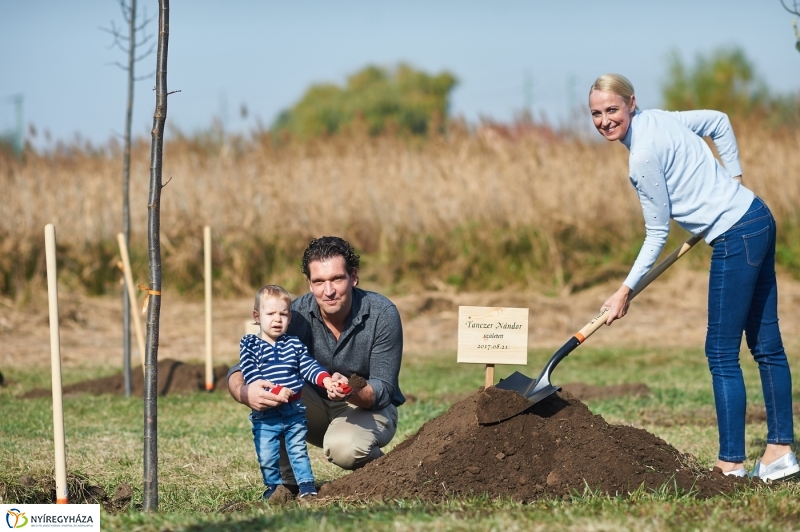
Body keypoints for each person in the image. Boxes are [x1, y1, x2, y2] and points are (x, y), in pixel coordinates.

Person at [588, 73, 797, 481]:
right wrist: (734, 179)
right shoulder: (662, 119)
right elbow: (718, 120)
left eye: (612, 110)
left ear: (631, 102)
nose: (604, 121)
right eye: (596, 113)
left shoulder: (641, 157)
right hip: (757, 216)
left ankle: (730, 464)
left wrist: (623, 291)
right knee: (766, 345)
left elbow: (657, 233)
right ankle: (779, 452)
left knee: (721, 353)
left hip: (735, 236)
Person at [228, 236, 405, 493]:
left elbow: (385, 389)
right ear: (309, 284)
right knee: (272, 385)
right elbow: (239, 370)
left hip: (366, 407)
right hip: (313, 406)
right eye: (319, 282)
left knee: (345, 449)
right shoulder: (294, 314)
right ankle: (285, 483)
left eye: (337, 279)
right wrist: (246, 393)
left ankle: (386, 473)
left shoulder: (382, 313)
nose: (328, 291)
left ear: (353, 277)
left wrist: (350, 389)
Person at [240, 284, 338, 499]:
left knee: (297, 450)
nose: (277, 319)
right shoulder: (250, 344)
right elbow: (250, 372)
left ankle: (306, 486)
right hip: (266, 415)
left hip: (293, 411)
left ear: (290, 318)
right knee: (267, 454)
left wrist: (326, 379)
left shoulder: (294, 344)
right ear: (257, 316)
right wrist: (274, 390)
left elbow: (309, 366)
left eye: (283, 314)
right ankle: (275, 487)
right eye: (271, 313)